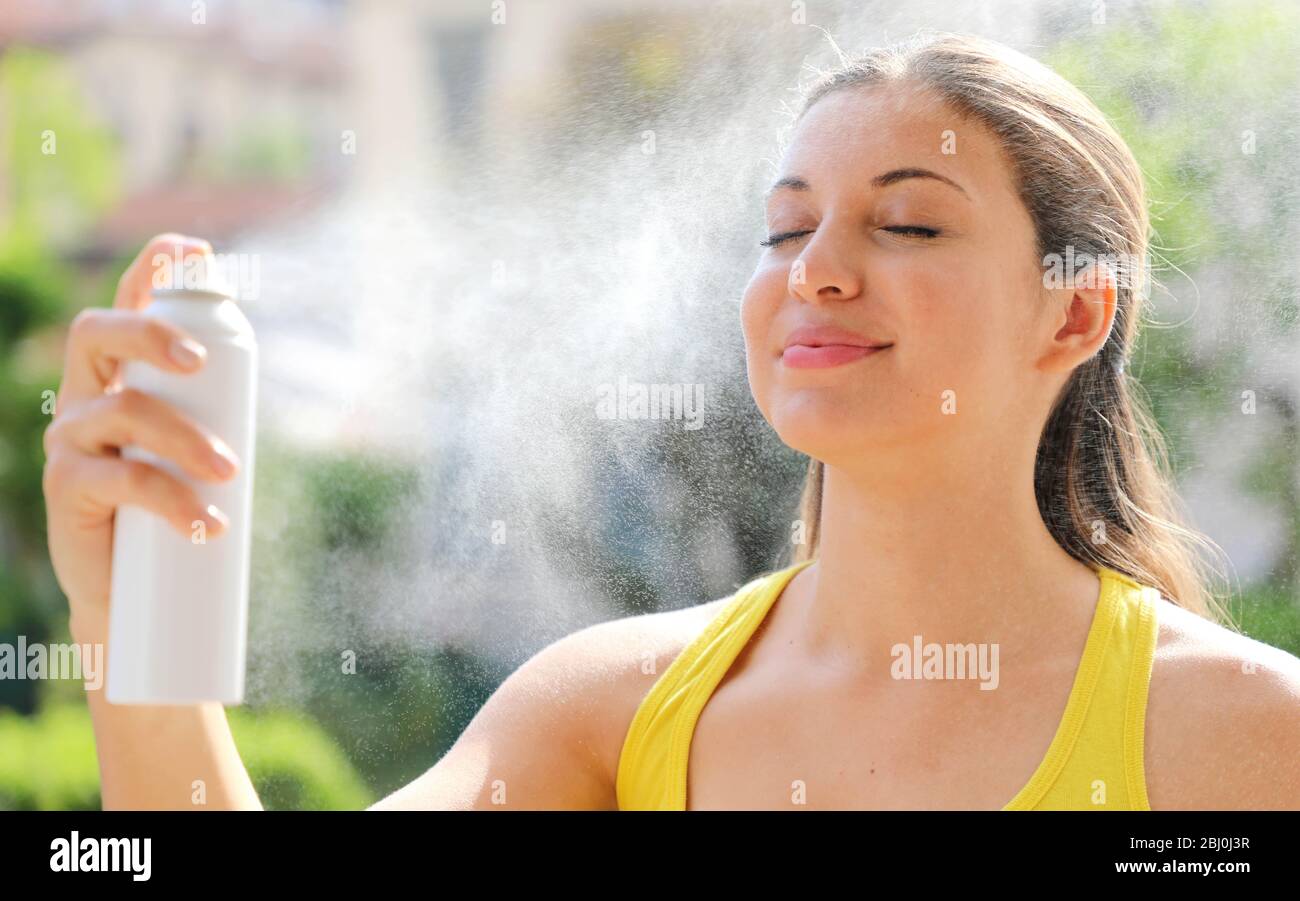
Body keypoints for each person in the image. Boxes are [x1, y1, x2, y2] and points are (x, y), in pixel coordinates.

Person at [42, 32, 1300, 810]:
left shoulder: (1242, 741)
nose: (815, 270)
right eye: (785, 226)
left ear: (1075, 316)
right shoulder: (610, 710)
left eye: (907, 222)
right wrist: (124, 624)